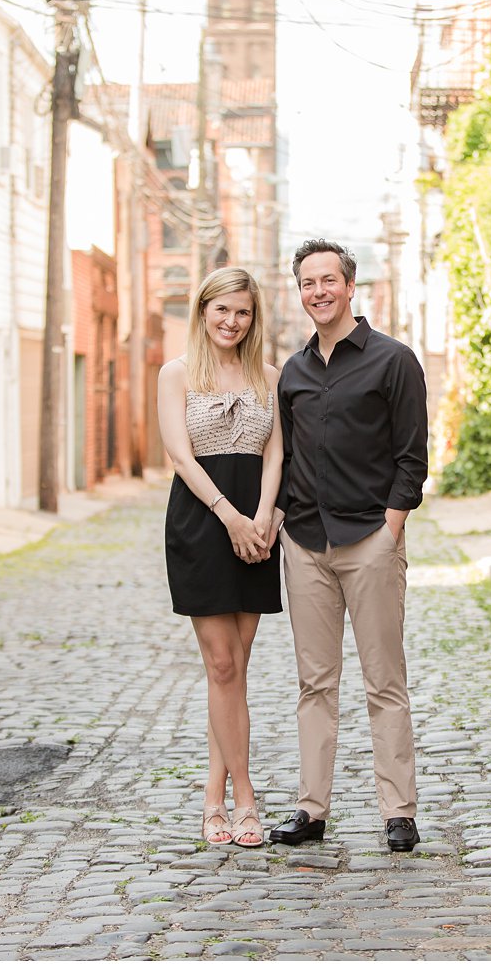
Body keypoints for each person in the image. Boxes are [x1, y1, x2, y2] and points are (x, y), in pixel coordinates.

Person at [266, 239, 428, 853]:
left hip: (370, 542)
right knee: (315, 683)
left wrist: (391, 529)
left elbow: (413, 457)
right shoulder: (294, 372)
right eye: (308, 283)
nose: (318, 292)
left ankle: (399, 811)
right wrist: (276, 522)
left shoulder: (393, 361)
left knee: (385, 680)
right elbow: (285, 459)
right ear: (300, 292)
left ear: (351, 285)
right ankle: (311, 811)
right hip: (305, 542)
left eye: (328, 280)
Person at [158, 267, 284, 849]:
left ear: (253, 318)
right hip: (202, 523)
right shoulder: (177, 374)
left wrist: (264, 518)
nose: (232, 322)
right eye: (222, 310)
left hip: (257, 529)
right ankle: (243, 799)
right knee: (223, 666)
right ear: (203, 312)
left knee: (232, 672)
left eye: (243, 312)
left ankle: (213, 797)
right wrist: (230, 516)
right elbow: (181, 457)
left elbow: (278, 455)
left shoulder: (270, 378)